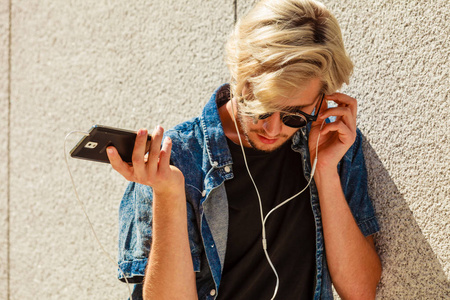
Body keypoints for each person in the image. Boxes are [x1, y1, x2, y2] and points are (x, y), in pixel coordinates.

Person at [107, 0, 382, 299]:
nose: (274, 129)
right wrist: (168, 194)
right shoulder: (173, 161)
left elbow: (360, 290)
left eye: (294, 115)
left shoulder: (333, 143)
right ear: (240, 77)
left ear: (323, 99)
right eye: (263, 109)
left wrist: (325, 171)